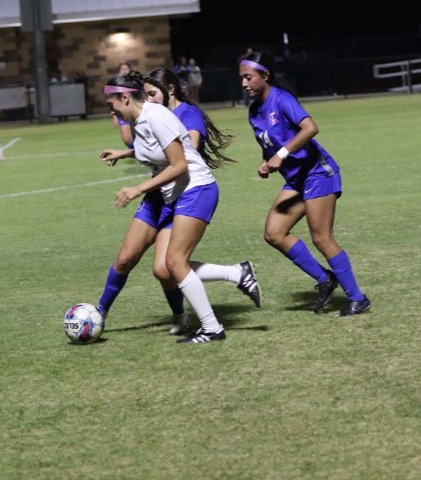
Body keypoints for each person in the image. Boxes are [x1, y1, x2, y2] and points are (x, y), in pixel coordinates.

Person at [98, 71, 260, 344]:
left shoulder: (156, 116)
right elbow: (157, 150)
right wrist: (124, 153)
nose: (110, 111)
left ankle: (211, 327)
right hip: (172, 194)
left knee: (174, 262)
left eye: (110, 104)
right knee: (162, 267)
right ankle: (237, 274)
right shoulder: (139, 119)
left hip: (196, 189)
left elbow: (180, 165)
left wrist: (138, 188)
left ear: (124, 98)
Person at [239, 51, 371, 317]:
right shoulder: (254, 111)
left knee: (321, 238)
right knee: (274, 233)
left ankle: (357, 298)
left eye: (248, 77)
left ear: (265, 75)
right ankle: (325, 279)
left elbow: (310, 128)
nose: (244, 83)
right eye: (241, 78)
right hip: (297, 179)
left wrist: (281, 154)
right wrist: (266, 161)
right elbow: (269, 142)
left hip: (317, 173)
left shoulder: (282, 99)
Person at [111, 62, 134, 148]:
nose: (124, 71)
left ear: (130, 70)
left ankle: (142, 153)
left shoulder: (134, 82)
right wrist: (114, 116)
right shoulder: (116, 85)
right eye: (122, 69)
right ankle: (137, 151)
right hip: (122, 113)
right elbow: (113, 100)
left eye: (126, 69)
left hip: (134, 112)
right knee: (127, 140)